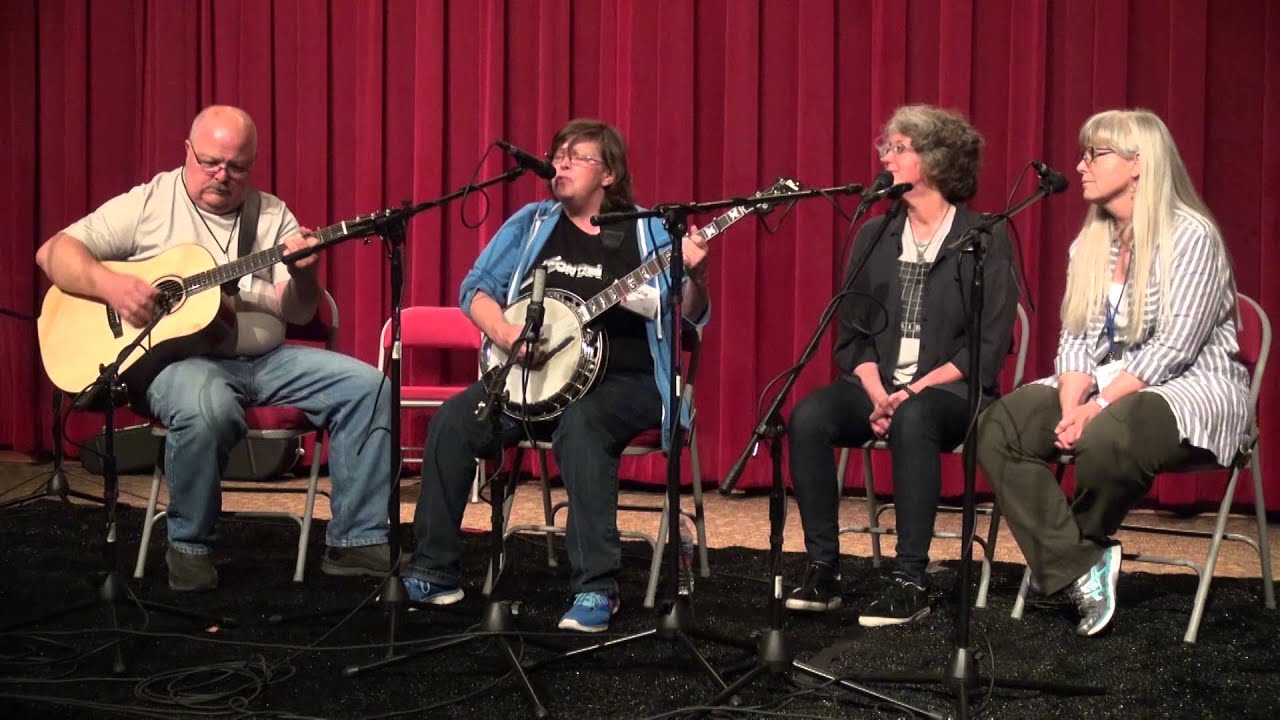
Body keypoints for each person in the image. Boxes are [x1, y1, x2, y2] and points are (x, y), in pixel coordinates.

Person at [35, 105, 392, 591]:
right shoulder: (149, 204)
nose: (222, 176)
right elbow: (53, 252)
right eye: (210, 163)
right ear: (187, 152)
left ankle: (356, 544)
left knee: (369, 387)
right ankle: (190, 547)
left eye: (237, 167)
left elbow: (301, 312)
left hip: (266, 359)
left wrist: (306, 275)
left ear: (253, 163)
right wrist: (111, 286)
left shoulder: (270, 214)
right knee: (208, 407)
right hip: (181, 363)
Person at [404, 118, 710, 633]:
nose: (560, 163)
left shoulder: (649, 227)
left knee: (584, 424)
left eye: (576, 156)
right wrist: (505, 334)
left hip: (627, 382)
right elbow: (475, 288)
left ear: (609, 174)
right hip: (532, 378)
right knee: (456, 421)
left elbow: (691, 314)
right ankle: (434, 571)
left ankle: (596, 588)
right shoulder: (532, 222)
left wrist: (697, 275)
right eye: (558, 154)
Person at [976, 109, 1249, 637]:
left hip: (1191, 386)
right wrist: (1075, 399)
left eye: (1095, 154)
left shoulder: (1191, 236)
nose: (1080, 166)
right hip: (1105, 381)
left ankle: (1070, 553)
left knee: (1107, 436)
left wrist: (1094, 410)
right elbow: (1076, 338)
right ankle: (1080, 564)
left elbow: (1175, 347)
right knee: (999, 428)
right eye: (1083, 154)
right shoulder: (1091, 242)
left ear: (1139, 163)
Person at [785, 104, 1019, 627]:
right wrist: (875, 391)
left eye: (899, 148)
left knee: (916, 419)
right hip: (878, 385)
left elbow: (987, 345)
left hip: (952, 392)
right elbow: (853, 337)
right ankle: (824, 567)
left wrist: (912, 394)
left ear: (934, 160)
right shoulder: (874, 236)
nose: (885, 157)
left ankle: (910, 577)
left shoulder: (983, 238)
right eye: (885, 147)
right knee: (808, 418)